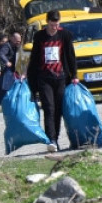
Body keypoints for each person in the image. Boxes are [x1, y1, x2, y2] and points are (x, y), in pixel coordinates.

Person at [27, 10, 78, 152]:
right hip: (44, 78)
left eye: (57, 24)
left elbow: (70, 56)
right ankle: (52, 139)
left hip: (61, 77)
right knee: (49, 108)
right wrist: (30, 79)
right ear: (47, 22)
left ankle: (56, 136)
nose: (54, 27)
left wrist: (74, 75)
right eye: (52, 24)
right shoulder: (39, 36)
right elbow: (34, 58)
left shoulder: (65, 35)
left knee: (58, 110)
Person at [0, 33, 14, 105]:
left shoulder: (5, 47)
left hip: (3, 68)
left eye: (6, 41)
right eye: (3, 42)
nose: (5, 43)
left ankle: (0, 101)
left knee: (2, 86)